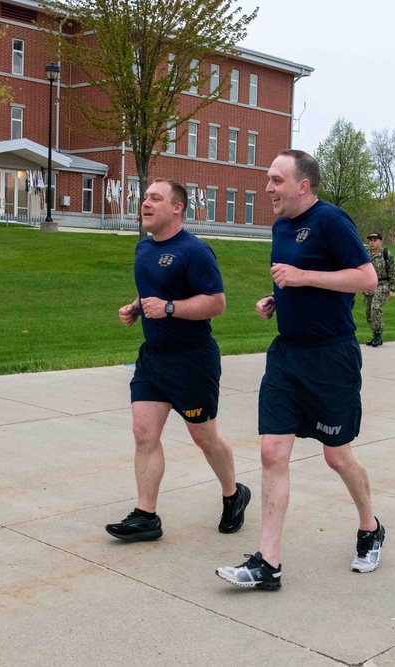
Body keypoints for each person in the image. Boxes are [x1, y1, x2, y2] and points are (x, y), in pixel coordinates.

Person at [216, 149, 383, 591]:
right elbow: (291, 276)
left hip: (331, 357)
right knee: (272, 453)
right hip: (287, 355)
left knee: (337, 455)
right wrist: (277, 300)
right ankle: (267, 562)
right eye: (268, 180)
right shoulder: (281, 226)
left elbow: (367, 279)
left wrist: (303, 279)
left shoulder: (331, 221)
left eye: (275, 180)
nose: (266, 187)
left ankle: (370, 526)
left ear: (302, 185)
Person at [108, 178, 250, 542]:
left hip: (192, 361)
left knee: (204, 438)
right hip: (153, 359)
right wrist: (137, 307)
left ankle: (234, 494)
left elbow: (216, 303)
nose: (145, 203)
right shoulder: (143, 249)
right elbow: (156, 292)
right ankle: (146, 516)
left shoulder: (195, 251)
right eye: (144, 198)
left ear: (177, 208)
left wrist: (169, 308)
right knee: (143, 434)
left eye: (155, 198)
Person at [363, 232, 395, 347]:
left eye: (375, 240)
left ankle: (378, 334)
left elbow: (394, 272)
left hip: (383, 284)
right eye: (370, 240)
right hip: (369, 285)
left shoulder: (386, 254)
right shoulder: (365, 254)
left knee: (376, 307)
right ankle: (375, 336)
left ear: (380, 241)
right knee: (369, 312)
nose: (372, 242)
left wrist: (392, 289)